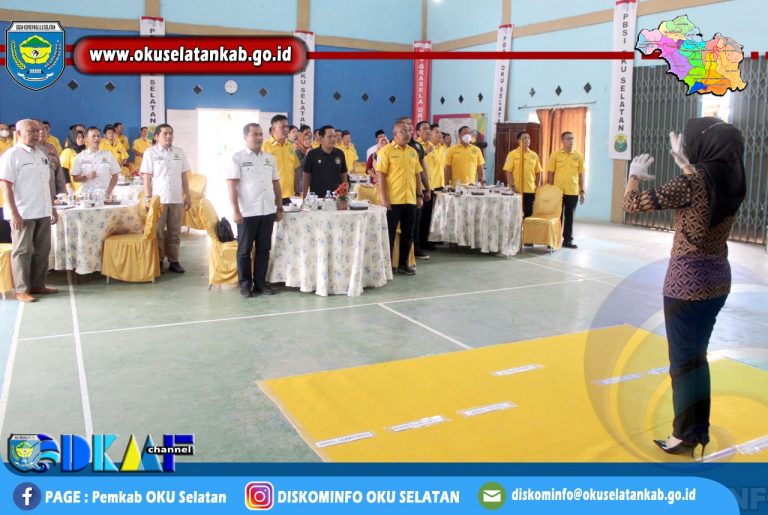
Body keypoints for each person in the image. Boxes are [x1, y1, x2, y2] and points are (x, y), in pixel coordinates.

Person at [623, 117, 746, 458]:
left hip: (687, 283)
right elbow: (704, 195)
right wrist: (685, 165)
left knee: (682, 362)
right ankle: (695, 431)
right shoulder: (733, 180)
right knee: (697, 358)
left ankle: (685, 436)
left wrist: (634, 176)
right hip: (717, 277)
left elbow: (631, 205)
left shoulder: (690, 184)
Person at [0, 119, 58, 302]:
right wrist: (14, 213)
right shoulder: (12, 155)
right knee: (22, 251)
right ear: (18, 133)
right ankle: (21, 290)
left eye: (38, 131)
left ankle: (37, 284)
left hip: (43, 210)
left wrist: (52, 208)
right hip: (23, 213)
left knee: (43, 250)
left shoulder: (41, 154)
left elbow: (46, 183)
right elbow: (6, 186)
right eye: (31, 131)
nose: (36, 134)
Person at [227, 123, 283, 298]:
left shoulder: (269, 158)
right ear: (246, 137)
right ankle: (245, 285)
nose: (259, 138)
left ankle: (260, 283)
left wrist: (279, 206)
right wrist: (236, 211)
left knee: (263, 250)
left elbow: (276, 183)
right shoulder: (238, 158)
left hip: (267, 211)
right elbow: (231, 185)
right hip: (247, 212)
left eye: (260, 134)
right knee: (244, 250)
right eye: (255, 135)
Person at [140, 123, 192, 274]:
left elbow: (184, 175)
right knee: (158, 233)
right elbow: (147, 177)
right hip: (159, 200)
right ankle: (159, 261)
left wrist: (187, 195)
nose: (169, 136)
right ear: (156, 137)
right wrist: (148, 197)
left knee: (175, 232)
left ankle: (174, 261)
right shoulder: (150, 153)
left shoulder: (179, 152)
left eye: (171, 133)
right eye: (165, 134)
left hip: (176, 199)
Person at [376, 120, 423, 276]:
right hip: (393, 201)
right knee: (389, 234)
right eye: (403, 131)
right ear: (395, 134)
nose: (407, 134)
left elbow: (417, 175)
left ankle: (403, 264)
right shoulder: (386, 151)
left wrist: (419, 195)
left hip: (410, 200)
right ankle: (387, 266)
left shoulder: (413, 152)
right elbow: (380, 176)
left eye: (409, 131)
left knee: (408, 234)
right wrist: (384, 199)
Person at [547, 131, 585, 249]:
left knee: (570, 217)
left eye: (572, 138)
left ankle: (568, 240)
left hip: (572, 191)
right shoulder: (555, 155)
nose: (571, 141)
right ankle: (553, 240)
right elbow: (550, 173)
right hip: (558, 191)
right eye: (568, 139)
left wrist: (582, 191)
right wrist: (550, 190)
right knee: (556, 216)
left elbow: (581, 175)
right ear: (562, 141)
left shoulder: (578, 156)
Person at [417, 123, 446, 251]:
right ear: (418, 132)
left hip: (433, 186)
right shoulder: (417, 146)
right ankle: (417, 244)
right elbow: (417, 166)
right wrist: (425, 152)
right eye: (425, 129)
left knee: (428, 216)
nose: (427, 131)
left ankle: (425, 241)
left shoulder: (433, 146)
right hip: (421, 187)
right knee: (420, 218)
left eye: (429, 129)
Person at [263, 114, 301, 205]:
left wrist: (296, 191)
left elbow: (295, 169)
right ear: (273, 129)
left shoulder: (290, 146)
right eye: (282, 127)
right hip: (272, 196)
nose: (286, 129)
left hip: (290, 196)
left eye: (287, 126)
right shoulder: (265, 147)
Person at [503, 131, 543, 217]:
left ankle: (526, 226)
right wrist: (512, 186)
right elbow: (508, 171)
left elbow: (538, 172)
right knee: (515, 214)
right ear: (518, 140)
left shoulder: (534, 155)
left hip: (530, 189)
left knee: (529, 214)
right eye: (524, 138)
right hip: (516, 189)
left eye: (528, 138)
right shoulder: (512, 154)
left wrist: (538, 187)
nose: (527, 140)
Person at [70, 127, 120, 196]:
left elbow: (115, 175)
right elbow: (75, 178)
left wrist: (108, 192)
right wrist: (86, 177)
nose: (96, 138)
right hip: (87, 196)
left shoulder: (108, 155)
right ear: (86, 139)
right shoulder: (80, 157)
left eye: (98, 136)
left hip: (104, 196)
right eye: (93, 136)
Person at [302, 125, 348, 198]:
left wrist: (344, 195)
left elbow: (343, 175)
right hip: (316, 198)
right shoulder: (312, 154)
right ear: (321, 138)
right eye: (329, 136)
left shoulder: (340, 154)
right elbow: (306, 177)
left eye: (334, 136)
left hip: (336, 197)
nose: (333, 139)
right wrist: (304, 197)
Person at [37, 120, 66, 194]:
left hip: (51, 190)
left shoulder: (52, 148)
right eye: (38, 130)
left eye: (43, 129)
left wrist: (62, 192)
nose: (42, 132)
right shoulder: (29, 150)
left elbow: (58, 171)